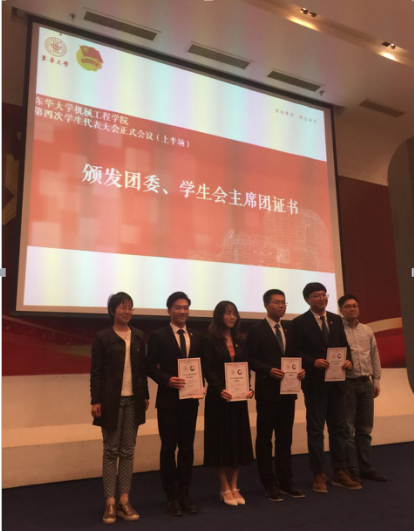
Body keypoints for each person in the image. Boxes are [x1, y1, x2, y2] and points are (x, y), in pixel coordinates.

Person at [290, 282, 362, 493]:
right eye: (316, 295)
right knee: (315, 430)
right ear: (307, 299)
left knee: (339, 429)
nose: (322, 298)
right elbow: (294, 352)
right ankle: (318, 473)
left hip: (337, 383)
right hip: (315, 384)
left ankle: (339, 471)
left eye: (324, 294)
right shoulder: (299, 323)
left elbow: (344, 347)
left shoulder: (336, 320)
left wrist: (348, 361)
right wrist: (312, 362)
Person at [90, 292, 149, 525]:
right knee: (110, 451)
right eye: (123, 307)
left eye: (130, 307)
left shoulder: (138, 336)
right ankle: (110, 502)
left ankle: (124, 500)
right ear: (112, 310)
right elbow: (96, 372)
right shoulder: (103, 337)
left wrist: (145, 395)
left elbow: (142, 370)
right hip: (110, 401)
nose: (127, 311)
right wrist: (95, 400)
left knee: (127, 451)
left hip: (134, 400)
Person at [146, 292, 202, 516]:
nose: (183, 311)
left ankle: (184, 494)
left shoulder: (197, 336)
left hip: (191, 401)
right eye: (178, 307)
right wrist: (167, 380)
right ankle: (171, 497)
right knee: (169, 449)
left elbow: (201, 366)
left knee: (187, 449)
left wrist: (202, 385)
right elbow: (149, 367)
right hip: (168, 401)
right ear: (169, 310)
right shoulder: (158, 336)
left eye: (186, 307)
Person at [247, 289, 305, 502]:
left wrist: (301, 371)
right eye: (277, 302)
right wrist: (268, 370)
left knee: (285, 438)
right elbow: (250, 359)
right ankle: (269, 483)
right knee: (264, 439)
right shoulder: (256, 330)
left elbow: (295, 357)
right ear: (266, 305)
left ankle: (285, 480)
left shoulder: (288, 330)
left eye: (284, 303)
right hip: (267, 393)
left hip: (288, 393)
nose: (281, 306)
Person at [201, 301, 254, 507]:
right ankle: (224, 487)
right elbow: (207, 368)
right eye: (227, 313)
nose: (232, 317)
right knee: (221, 441)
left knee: (237, 440)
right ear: (219, 316)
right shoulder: (209, 341)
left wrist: (249, 387)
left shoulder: (241, 340)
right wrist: (219, 388)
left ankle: (235, 486)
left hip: (238, 399)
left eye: (234, 313)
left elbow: (245, 367)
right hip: (219, 399)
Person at [338, 294, 387, 482]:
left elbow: (374, 356)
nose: (352, 309)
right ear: (340, 310)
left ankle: (366, 467)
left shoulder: (367, 330)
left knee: (365, 429)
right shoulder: (337, 331)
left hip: (366, 383)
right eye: (348, 306)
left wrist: (376, 381)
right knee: (348, 431)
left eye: (355, 306)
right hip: (347, 384)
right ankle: (352, 470)